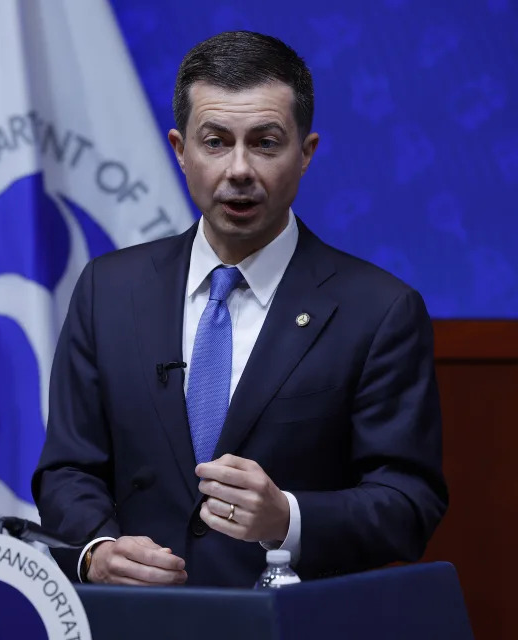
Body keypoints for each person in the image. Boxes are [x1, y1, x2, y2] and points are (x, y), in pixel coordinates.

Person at [31, 31, 447, 587]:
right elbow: (67, 468)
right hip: (137, 620)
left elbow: (408, 501)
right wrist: (97, 550)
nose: (240, 169)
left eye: (267, 142)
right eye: (217, 141)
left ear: (306, 153)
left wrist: (289, 519)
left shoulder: (379, 311)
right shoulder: (109, 289)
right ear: (180, 150)